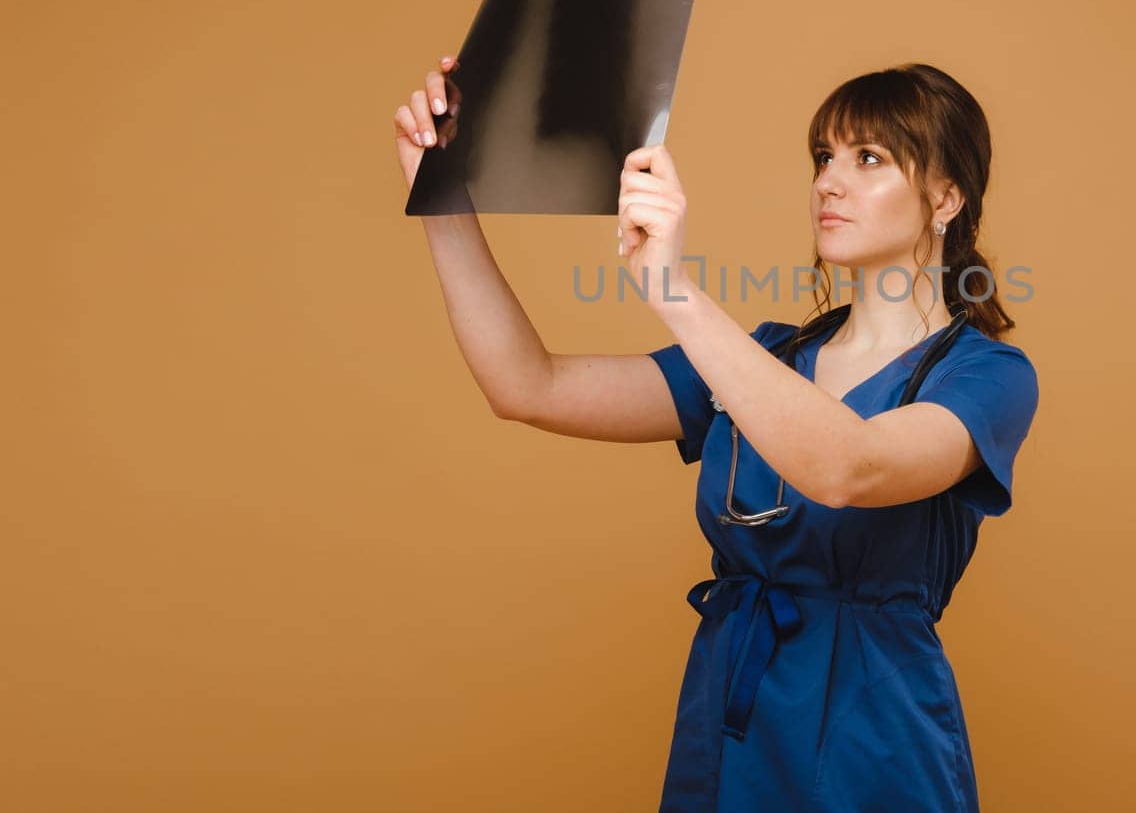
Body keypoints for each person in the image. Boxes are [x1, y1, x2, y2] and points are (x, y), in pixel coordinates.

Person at [393, 57, 1040, 811]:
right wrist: (438, 197)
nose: (829, 181)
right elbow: (526, 384)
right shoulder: (758, 356)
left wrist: (675, 292)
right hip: (728, 723)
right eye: (824, 157)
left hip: (874, 741)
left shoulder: (986, 376)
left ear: (946, 197)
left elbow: (848, 469)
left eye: (869, 158)